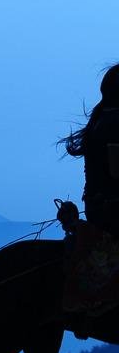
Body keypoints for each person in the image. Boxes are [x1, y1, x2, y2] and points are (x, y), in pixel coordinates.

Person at [63, 64, 119, 235]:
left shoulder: (101, 120)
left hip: (98, 207)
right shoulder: (113, 122)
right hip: (110, 210)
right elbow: (117, 172)